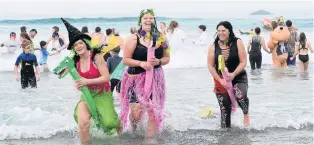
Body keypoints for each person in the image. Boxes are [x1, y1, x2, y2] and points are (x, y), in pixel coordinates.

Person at [60, 18, 122, 145]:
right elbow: (77, 79)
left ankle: (122, 133)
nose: (78, 46)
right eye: (75, 45)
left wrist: (87, 81)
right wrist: (77, 84)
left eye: (80, 43)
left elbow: (106, 77)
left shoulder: (96, 56)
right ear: (73, 48)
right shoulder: (75, 61)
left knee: (110, 122)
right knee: (83, 123)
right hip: (87, 95)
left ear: (85, 43)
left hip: (102, 93)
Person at [119, 9, 170, 144]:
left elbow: (167, 58)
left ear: (154, 20)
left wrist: (159, 62)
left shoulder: (161, 38)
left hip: (155, 78)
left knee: (152, 108)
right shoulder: (133, 38)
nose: (148, 20)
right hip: (135, 78)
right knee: (136, 113)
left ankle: (150, 139)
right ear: (140, 21)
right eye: (145, 18)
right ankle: (134, 129)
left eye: (151, 18)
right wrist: (141, 63)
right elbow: (125, 60)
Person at [207, 21, 250, 128]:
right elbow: (211, 66)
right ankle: (226, 136)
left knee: (240, 96)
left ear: (229, 31)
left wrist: (234, 73)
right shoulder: (213, 46)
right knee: (225, 110)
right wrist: (220, 80)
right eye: (219, 31)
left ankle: (246, 114)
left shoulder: (237, 42)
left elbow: (243, 61)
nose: (221, 33)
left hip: (238, 77)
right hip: (220, 79)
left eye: (223, 30)